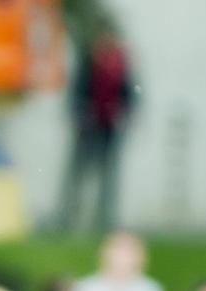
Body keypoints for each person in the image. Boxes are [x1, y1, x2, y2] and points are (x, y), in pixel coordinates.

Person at [59, 13, 135, 232]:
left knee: (107, 176)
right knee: (79, 173)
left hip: (109, 127)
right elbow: (78, 91)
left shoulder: (119, 62)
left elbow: (128, 93)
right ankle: (70, 217)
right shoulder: (89, 60)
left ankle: (103, 220)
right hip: (89, 127)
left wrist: (124, 111)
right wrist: (81, 111)